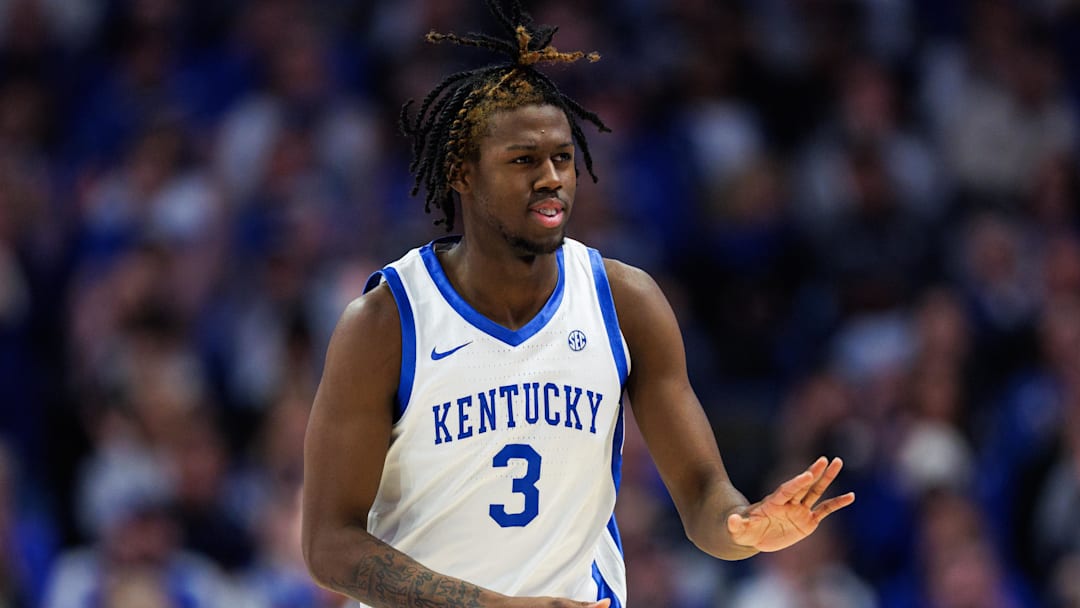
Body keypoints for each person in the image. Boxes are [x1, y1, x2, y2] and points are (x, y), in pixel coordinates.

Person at [300, 2, 855, 606]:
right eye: (523, 160)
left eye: (562, 158)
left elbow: (702, 494)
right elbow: (329, 545)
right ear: (461, 170)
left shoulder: (625, 302)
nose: (552, 178)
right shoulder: (387, 322)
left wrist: (741, 527)